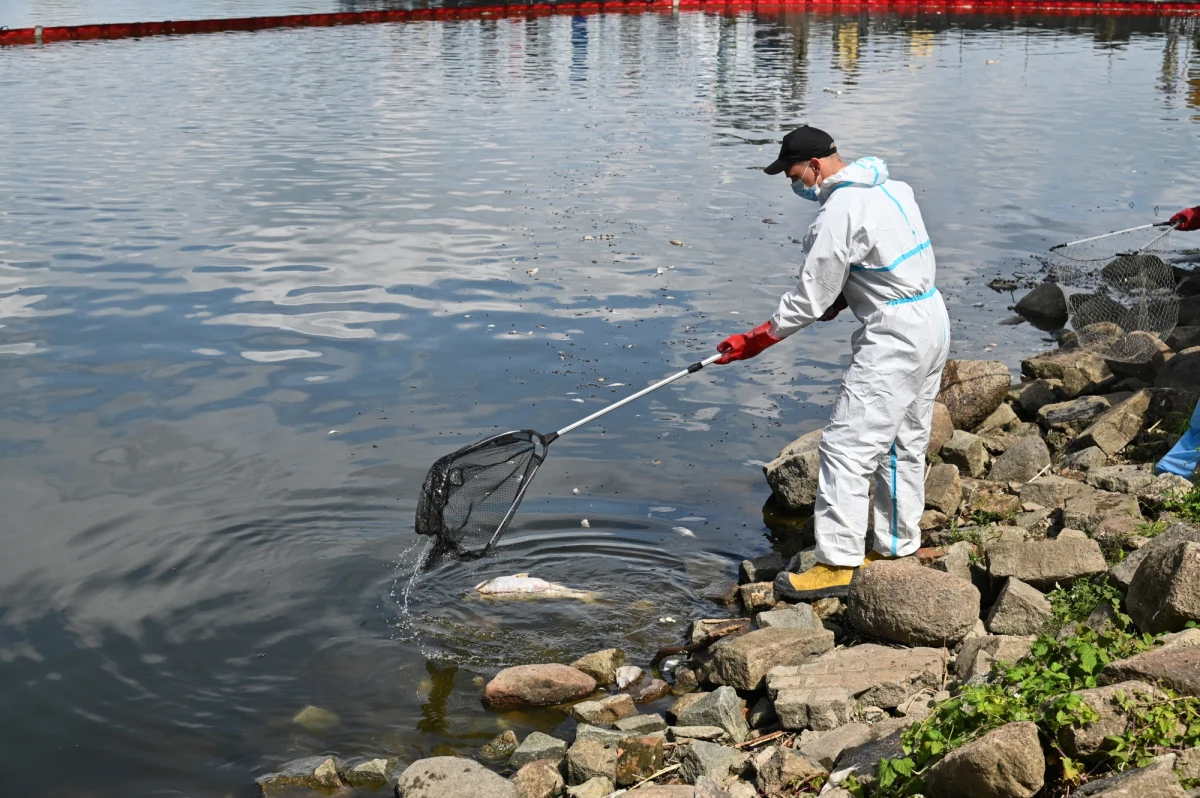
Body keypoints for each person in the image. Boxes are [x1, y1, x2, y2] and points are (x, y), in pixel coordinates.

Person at [716, 125, 950, 601]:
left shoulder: (838, 212)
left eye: (793, 174)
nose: (794, 184)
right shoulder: (893, 188)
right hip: (931, 318)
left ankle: (838, 564)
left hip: (894, 336)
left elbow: (808, 299)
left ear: (815, 165)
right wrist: (845, 296)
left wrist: (755, 340)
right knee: (902, 442)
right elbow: (884, 259)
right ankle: (896, 546)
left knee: (846, 447)